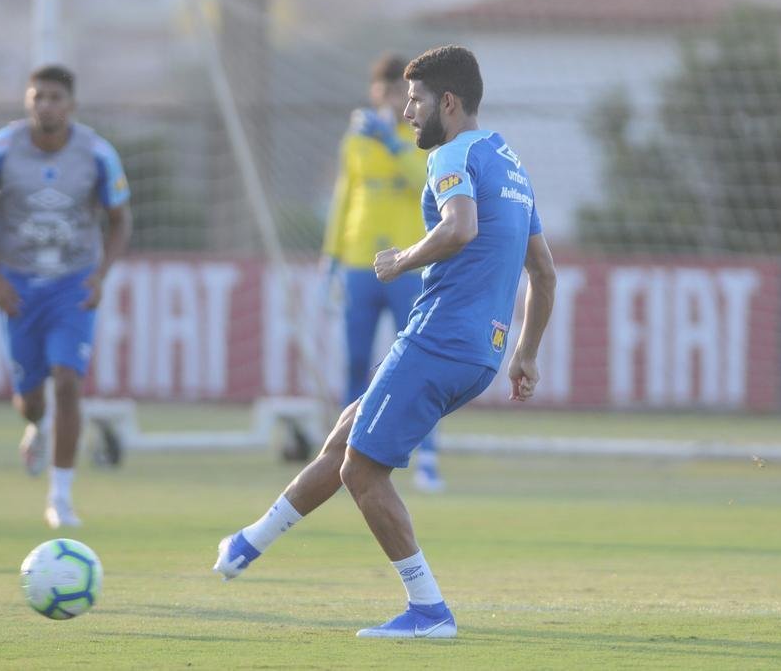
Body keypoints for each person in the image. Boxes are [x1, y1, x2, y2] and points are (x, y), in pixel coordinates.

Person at [213, 44, 556, 639]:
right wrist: (525, 352)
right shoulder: (508, 161)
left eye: (417, 100)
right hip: (481, 352)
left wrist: (402, 260)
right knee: (348, 434)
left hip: (438, 338)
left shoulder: (451, 154)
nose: (407, 112)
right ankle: (250, 542)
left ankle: (428, 610)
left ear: (448, 103)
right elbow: (545, 273)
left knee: (362, 472)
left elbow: (460, 228)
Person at [0, 64, 132, 529]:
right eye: (39, 97)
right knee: (31, 399)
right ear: (27, 101)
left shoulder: (97, 153)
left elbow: (120, 217)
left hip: (73, 284)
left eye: (56, 98)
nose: (47, 106)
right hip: (19, 285)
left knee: (69, 382)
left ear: (71, 105)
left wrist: (101, 275)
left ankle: (61, 497)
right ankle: (36, 425)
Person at [321, 52, 445, 492]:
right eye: (385, 90)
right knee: (356, 362)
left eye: (399, 92)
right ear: (375, 92)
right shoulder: (357, 140)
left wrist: (393, 143)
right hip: (360, 262)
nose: (391, 99)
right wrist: (331, 259)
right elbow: (345, 198)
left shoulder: (419, 136)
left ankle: (427, 458)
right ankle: (342, 458)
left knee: (417, 363)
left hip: (408, 262)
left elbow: (424, 182)